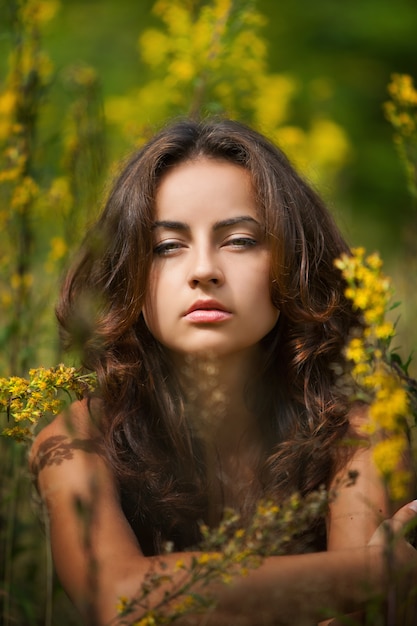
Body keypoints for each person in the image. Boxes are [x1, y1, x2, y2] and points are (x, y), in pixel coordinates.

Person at [30, 118, 417, 625]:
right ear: (128, 273)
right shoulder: (77, 439)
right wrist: (370, 575)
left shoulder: (358, 429)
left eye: (238, 240)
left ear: (293, 260)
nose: (203, 269)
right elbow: (118, 601)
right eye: (167, 246)